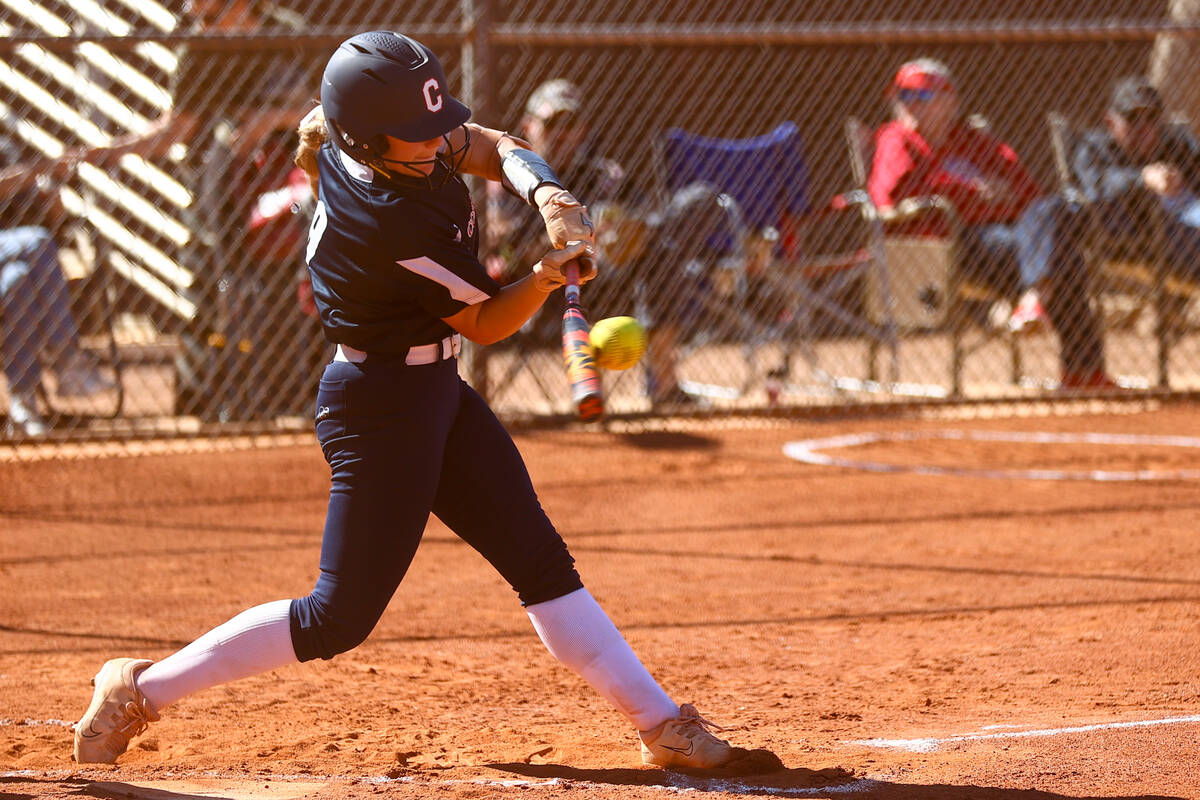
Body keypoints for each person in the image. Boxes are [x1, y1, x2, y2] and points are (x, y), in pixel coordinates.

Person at [73, 31, 747, 771]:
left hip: (435, 391)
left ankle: (660, 724)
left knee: (541, 563)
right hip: (379, 408)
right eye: (417, 135)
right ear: (369, 138)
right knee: (337, 618)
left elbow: (488, 144)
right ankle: (140, 687)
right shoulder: (388, 220)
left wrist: (547, 192)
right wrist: (548, 278)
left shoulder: (375, 142)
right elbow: (488, 320)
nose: (435, 144)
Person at [86, 0, 314, 421]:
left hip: (290, 182)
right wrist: (111, 151)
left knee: (291, 285)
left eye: (209, 15)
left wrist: (270, 120)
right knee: (219, 291)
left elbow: (324, 107)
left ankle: (294, 394)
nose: (195, 18)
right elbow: (177, 130)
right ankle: (223, 402)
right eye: (195, 15)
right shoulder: (197, 49)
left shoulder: (286, 31)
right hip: (224, 192)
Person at [869, 58, 1117, 390]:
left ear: (950, 102)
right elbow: (895, 194)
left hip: (1006, 237)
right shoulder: (897, 140)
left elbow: (1028, 193)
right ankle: (1078, 361)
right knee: (1066, 259)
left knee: (1055, 209)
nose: (909, 105)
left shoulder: (974, 141)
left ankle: (1038, 303)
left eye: (922, 97)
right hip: (946, 244)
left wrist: (1000, 196)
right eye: (903, 97)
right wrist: (974, 192)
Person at [0, 139, 116, 437]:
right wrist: (35, 170)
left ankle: (23, 403)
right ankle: (67, 360)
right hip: (18, 246)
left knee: (19, 282)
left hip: (8, 268)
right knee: (37, 242)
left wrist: (51, 195)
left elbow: (51, 219)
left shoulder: (7, 148)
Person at [1073, 76, 1200, 294]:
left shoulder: (1177, 143)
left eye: (1151, 117)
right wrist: (1143, 179)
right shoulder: (1094, 147)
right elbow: (1096, 186)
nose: (1143, 127)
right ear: (1110, 122)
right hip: (1139, 237)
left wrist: (1183, 181)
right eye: (1132, 118)